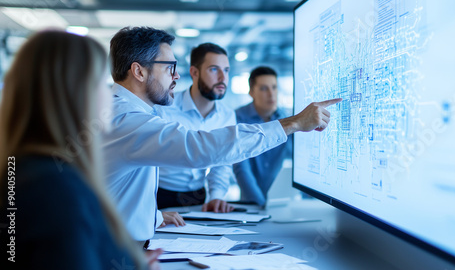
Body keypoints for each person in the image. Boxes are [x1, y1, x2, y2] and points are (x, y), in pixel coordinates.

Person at [103, 26, 341, 242]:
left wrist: (151, 217)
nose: (176, 76)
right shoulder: (128, 119)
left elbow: (121, 191)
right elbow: (199, 148)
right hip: (118, 248)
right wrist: (294, 123)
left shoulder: (123, 112)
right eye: (169, 68)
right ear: (139, 71)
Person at [0, 31, 159, 269]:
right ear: (73, 94)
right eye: (100, 84)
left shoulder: (25, 168)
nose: (109, 94)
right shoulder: (57, 188)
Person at [154, 43, 236, 213]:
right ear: (194, 72)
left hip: (198, 196)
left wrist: (217, 196)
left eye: (226, 70)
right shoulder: (165, 108)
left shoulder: (227, 116)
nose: (223, 77)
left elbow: (222, 162)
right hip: (158, 195)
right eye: (214, 69)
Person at [233, 66, 293, 206]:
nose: (271, 94)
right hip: (251, 203)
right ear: (251, 92)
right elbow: (241, 168)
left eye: (274, 87)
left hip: (280, 202)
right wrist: (260, 204)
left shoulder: (288, 120)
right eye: (264, 88)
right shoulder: (238, 118)